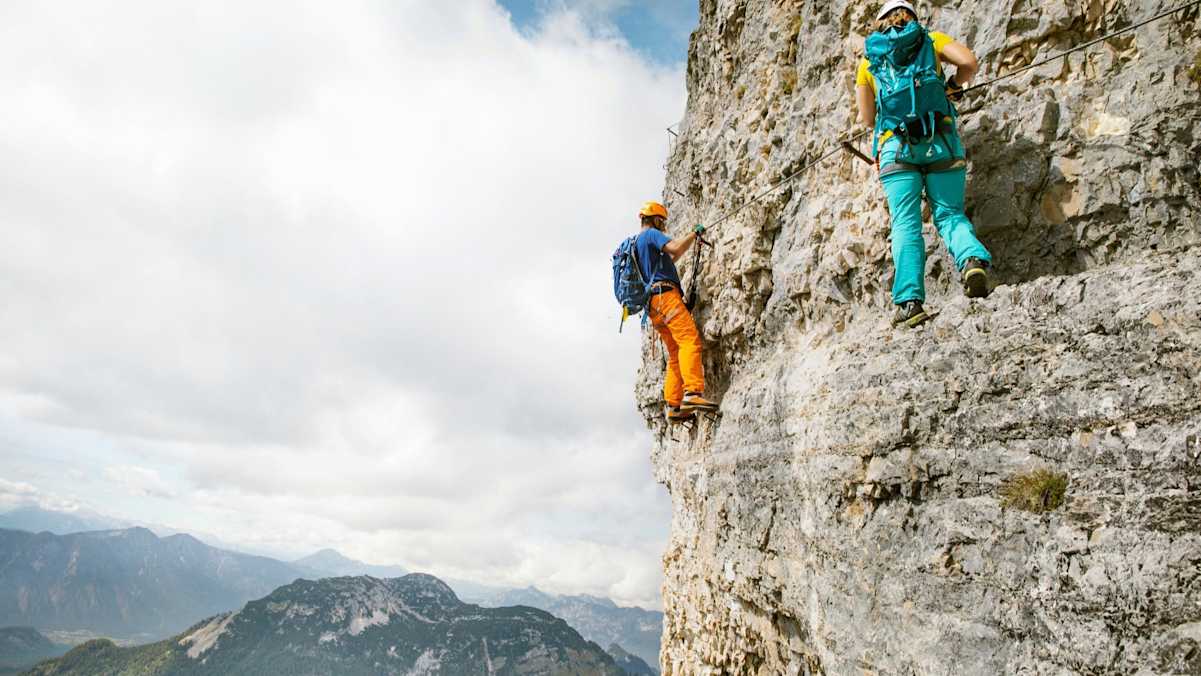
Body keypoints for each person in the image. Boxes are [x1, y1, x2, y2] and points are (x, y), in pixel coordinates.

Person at [855, 0, 993, 328]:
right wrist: (952, 87)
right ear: (913, 18)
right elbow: (969, 62)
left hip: (896, 148)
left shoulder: (869, 60)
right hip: (940, 140)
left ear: (880, 23)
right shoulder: (930, 40)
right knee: (949, 213)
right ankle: (971, 260)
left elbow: (867, 118)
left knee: (905, 223)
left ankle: (910, 303)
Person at [634, 201, 720, 423]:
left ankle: (673, 405)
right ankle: (692, 392)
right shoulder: (651, 234)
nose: (664, 226)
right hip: (666, 298)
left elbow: (672, 257)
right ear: (655, 219)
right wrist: (694, 233)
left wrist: (690, 240)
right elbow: (674, 248)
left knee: (674, 354)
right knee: (689, 340)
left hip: (653, 306)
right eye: (662, 221)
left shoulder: (638, 244)